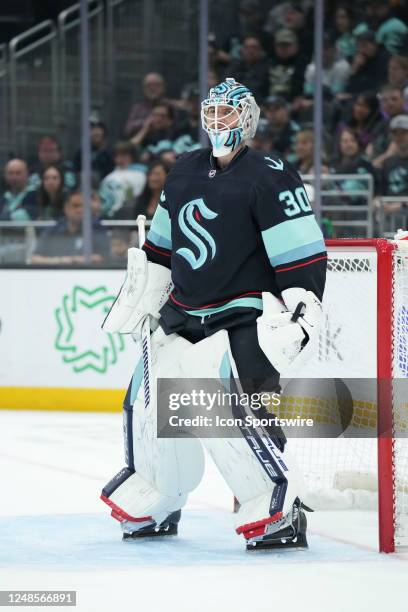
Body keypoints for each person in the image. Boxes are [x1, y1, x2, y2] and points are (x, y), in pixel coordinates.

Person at [101, 77, 327, 551]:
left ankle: (275, 505)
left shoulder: (270, 172)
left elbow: (300, 252)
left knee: (236, 409)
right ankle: (159, 493)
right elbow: (160, 249)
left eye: (228, 114)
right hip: (184, 312)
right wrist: (144, 296)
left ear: (247, 120)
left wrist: (303, 303)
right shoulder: (182, 170)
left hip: (244, 312)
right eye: (212, 113)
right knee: (147, 398)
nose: (218, 122)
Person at [30, 191, 110, 265]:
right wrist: (61, 261)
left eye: (83, 206)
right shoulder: (53, 230)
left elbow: (103, 258)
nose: (80, 210)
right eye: (76, 206)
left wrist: (72, 260)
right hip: (56, 275)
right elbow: (35, 258)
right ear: (66, 208)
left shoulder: (96, 228)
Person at [99, 141, 147, 219]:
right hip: (109, 216)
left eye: (124, 155)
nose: (120, 159)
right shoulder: (109, 178)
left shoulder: (142, 174)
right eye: (117, 156)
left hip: (132, 215)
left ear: (132, 156)